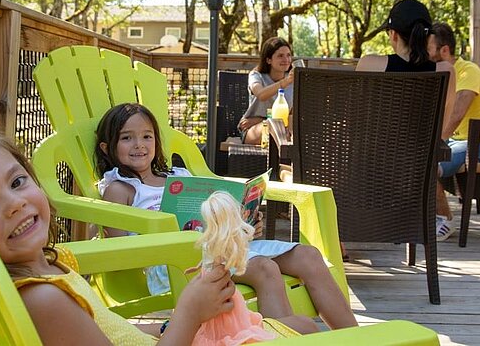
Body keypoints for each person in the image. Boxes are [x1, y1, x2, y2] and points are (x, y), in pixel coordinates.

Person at [0, 126, 238, 346]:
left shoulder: (51, 265)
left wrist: (169, 326)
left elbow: (107, 328)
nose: (14, 204)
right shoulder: (43, 299)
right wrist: (189, 312)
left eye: (17, 181)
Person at [95, 103, 358, 333]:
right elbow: (119, 254)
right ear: (108, 148)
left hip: (219, 247)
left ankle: (355, 339)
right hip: (178, 264)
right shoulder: (121, 188)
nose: (139, 145)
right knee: (266, 268)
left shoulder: (179, 176)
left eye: (146, 136)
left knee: (308, 256)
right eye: (127, 138)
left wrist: (241, 223)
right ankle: (280, 338)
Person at [427, 22, 480, 241]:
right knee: (417, 158)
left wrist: (436, 142)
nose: (425, 53)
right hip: (458, 142)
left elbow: (457, 114)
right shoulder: (440, 74)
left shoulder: (467, 71)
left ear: (444, 50)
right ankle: (424, 217)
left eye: (429, 49)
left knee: (429, 165)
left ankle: (445, 220)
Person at [194, 191, 281, 345]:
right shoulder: (212, 244)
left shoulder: (218, 245)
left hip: (221, 290)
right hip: (216, 291)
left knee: (228, 321)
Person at [356, 0, 456, 130]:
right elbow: (441, 130)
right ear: (428, 36)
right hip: (423, 151)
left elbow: (356, 119)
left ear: (393, 35)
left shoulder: (369, 65)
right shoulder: (446, 71)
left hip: (375, 149)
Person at [238, 37, 295, 145]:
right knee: (271, 126)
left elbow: (291, 114)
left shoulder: (292, 81)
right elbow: (261, 94)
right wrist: (284, 82)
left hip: (283, 130)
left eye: (288, 55)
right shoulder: (256, 76)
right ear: (268, 60)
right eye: (280, 56)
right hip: (255, 130)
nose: (286, 59)